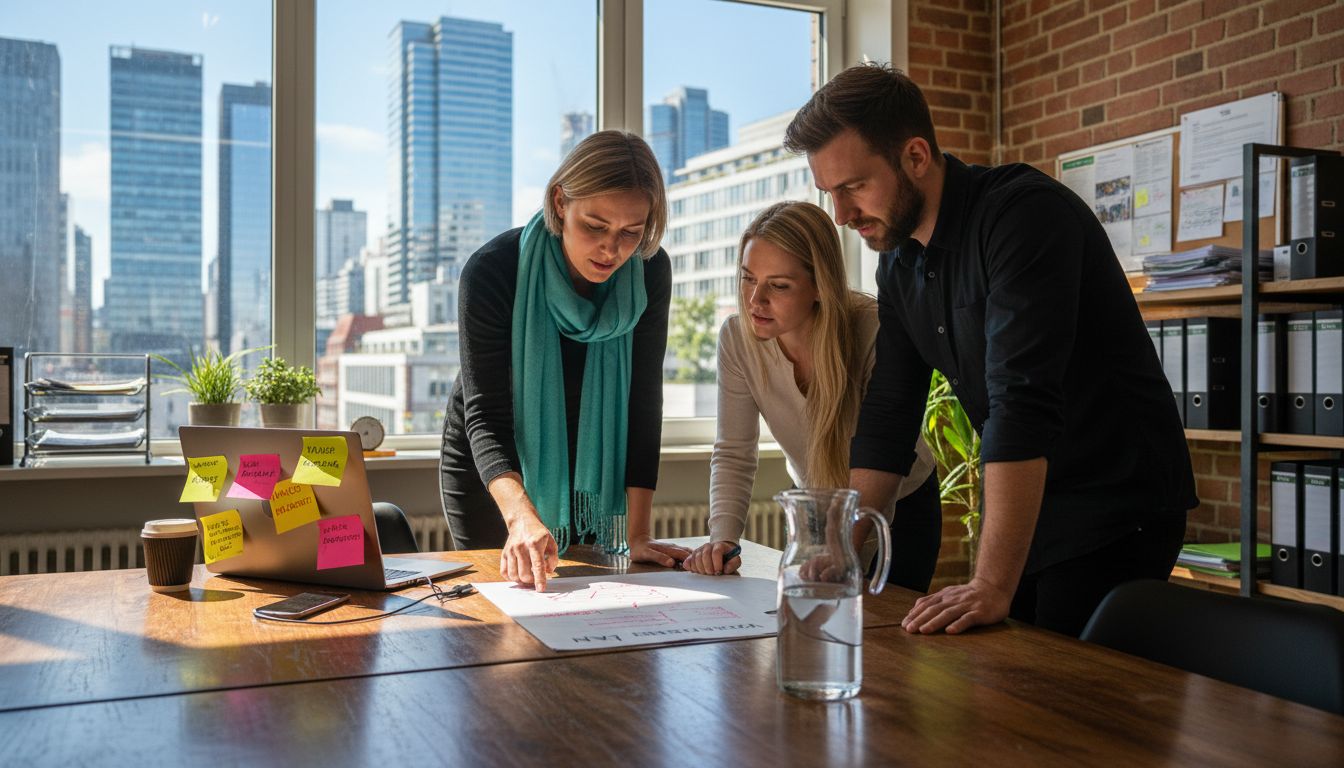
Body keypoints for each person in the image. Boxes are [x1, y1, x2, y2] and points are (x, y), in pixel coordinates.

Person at [783, 63, 1196, 637]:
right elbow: (890, 412)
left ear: (916, 156)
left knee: (1054, 681)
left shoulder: (1023, 216)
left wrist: (991, 583)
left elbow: (1020, 401)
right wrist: (842, 551)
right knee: (1003, 668)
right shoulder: (898, 263)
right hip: (1034, 504)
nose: (842, 215)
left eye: (853, 187)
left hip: (1117, 503)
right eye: (829, 193)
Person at [440, 131, 690, 591]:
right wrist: (520, 516)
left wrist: (638, 534)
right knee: (499, 611)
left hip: (591, 478)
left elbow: (643, 404)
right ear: (560, 202)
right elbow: (486, 415)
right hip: (496, 474)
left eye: (631, 232)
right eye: (595, 226)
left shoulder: (650, 270)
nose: (611, 250)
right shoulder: (495, 270)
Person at [682, 201, 942, 592]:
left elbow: (886, 452)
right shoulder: (736, 339)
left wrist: (846, 552)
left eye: (778, 286)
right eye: (748, 278)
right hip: (818, 505)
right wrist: (723, 539)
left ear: (820, 285)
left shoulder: (873, 328)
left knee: (879, 626)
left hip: (899, 508)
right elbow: (734, 451)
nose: (755, 300)